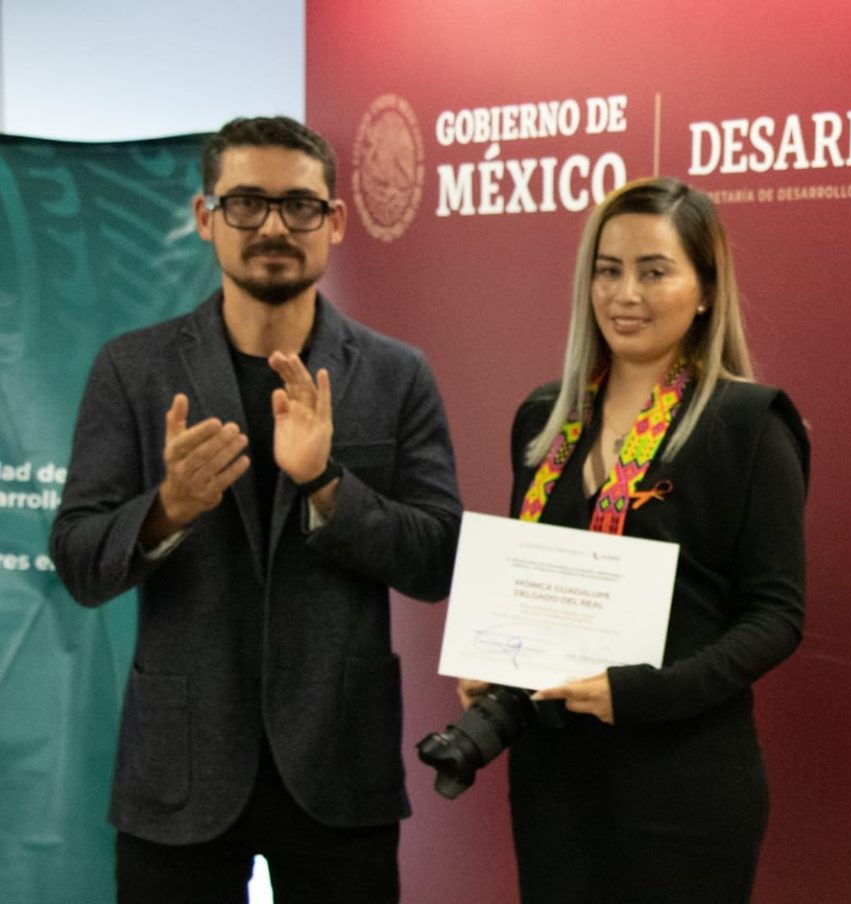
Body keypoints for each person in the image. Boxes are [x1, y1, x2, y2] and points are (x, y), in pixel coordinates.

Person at [49, 116, 462, 903]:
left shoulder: (395, 374)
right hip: (181, 767)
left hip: (339, 762)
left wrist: (326, 484)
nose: (273, 227)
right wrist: (168, 509)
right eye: (246, 203)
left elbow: (438, 558)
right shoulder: (133, 369)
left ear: (335, 221)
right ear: (206, 217)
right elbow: (78, 559)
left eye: (299, 206)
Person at [458, 177, 810, 903]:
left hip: (683, 784)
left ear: (705, 289)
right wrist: (495, 659)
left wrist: (644, 693)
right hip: (556, 785)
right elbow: (530, 583)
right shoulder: (543, 420)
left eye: (654, 272)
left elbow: (776, 615)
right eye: (608, 270)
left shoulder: (749, 424)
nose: (625, 294)